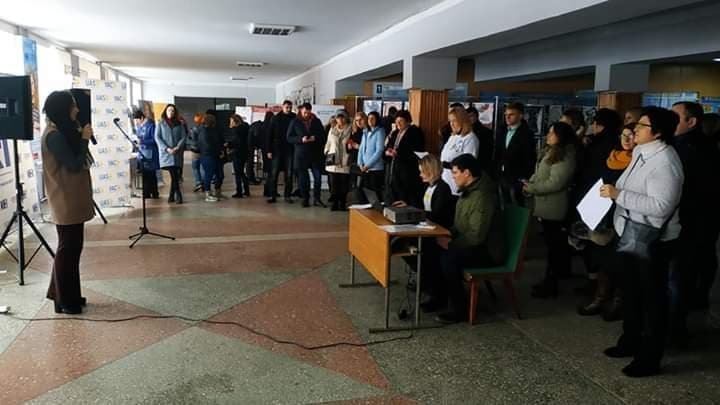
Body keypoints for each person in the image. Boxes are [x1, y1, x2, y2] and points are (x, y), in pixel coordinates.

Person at [600, 106, 683, 378]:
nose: (635, 129)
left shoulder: (666, 161)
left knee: (652, 298)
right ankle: (630, 340)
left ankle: (650, 357)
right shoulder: (641, 152)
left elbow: (661, 206)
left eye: (642, 126)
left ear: (658, 133)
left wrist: (619, 195)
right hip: (630, 234)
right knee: (632, 292)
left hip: (651, 241)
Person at [668, 101, 720, 346]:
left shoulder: (690, 149)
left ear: (691, 122)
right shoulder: (691, 145)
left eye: (675, 117)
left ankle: (675, 329)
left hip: (690, 222)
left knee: (678, 277)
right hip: (697, 222)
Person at [42, 90, 95, 314]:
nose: (77, 110)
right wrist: (84, 139)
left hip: (72, 197)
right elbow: (73, 165)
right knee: (67, 249)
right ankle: (64, 300)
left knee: (73, 248)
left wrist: (81, 136)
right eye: (73, 106)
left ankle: (66, 295)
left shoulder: (63, 131)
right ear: (63, 109)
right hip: (65, 199)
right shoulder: (53, 135)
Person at [577, 123, 637, 319]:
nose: (626, 139)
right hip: (602, 214)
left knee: (620, 261)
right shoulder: (612, 156)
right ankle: (600, 297)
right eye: (623, 135)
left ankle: (618, 302)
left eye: (631, 135)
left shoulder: (639, 161)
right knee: (602, 258)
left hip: (624, 216)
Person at [434, 154, 498, 324]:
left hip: (488, 251)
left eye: (455, 173)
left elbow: (477, 235)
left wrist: (451, 243)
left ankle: (459, 309)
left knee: (449, 258)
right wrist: (445, 235)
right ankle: (439, 296)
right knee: (432, 248)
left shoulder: (482, 196)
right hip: (472, 244)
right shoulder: (468, 191)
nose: (453, 177)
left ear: (467, 173)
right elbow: (459, 225)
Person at [393, 154, 455, 312]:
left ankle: (435, 293)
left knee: (420, 251)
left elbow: (437, 215)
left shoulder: (443, 189)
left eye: (422, 171)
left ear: (430, 171)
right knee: (402, 245)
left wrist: (417, 213)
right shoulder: (430, 187)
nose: (420, 175)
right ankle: (426, 282)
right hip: (428, 228)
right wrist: (409, 207)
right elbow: (425, 208)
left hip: (438, 233)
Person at [523, 122, 577, 299]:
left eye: (552, 133)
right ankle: (549, 280)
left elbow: (556, 182)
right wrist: (530, 183)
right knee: (551, 245)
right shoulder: (549, 151)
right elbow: (540, 173)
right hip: (544, 205)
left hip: (554, 207)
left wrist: (532, 188)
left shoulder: (565, 155)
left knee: (555, 247)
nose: (548, 135)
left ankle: (551, 283)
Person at [573, 108, 622, 291]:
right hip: (607, 199)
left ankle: (596, 283)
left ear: (598, 125)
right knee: (603, 244)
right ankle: (603, 286)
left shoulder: (595, 144)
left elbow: (584, 168)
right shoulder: (617, 145)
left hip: (592, 198)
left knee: (593, 243)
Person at [495, 102, 535, 206]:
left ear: (520, 116)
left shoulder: (527, 134)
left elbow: (529, 158)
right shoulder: (502, 131)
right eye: (506, 115)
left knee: (517, 206)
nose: (507, 117)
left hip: (517, 178)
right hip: (501, 176)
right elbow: (497, 154)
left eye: (511, 114)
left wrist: (523, 178)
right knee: (503, 205)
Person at [287, 103, 326, 207]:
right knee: (303, 178)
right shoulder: (295, 122)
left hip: (315, 154)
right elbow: (289, 137)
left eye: (308, 113)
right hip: (301, 154)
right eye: (305, 112)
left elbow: (323, 136)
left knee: (317, 177)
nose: (306, 115)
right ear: (301, 111)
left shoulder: (316, 121)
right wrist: (301, 139)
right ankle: (305, 198)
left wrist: (315, 138)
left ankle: (317, 198)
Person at [384, 110, 425, 208]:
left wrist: (399, 154)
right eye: (396, 121)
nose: (398, 124)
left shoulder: (415, 132)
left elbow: (418, 152)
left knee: (405, 200)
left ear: (408, 121)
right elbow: (388, 146)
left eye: (401, 121)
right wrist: (387, 152)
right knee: (394, 199)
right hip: (393, 170)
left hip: (408, 172)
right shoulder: (395, 133)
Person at [441, 107, 479, 196]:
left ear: (462, 121)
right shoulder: (453, 137)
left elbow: (468, 164)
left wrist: (448, 165)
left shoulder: (471, 139)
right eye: (450, 121)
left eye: (454, 121)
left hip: (457, 187)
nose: (451, 124)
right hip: (445, 182)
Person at [155, 104, 187, 204]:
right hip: (166, 153)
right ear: (165, 111)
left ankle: (171, 196)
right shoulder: (160, 123)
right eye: (169, 110)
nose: (171, 112)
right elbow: (157, 137)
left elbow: (183, 137)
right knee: (174, 174)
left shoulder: (179, 124)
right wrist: (167, 148)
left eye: (173, 111)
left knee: (175, 174)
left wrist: (177, 147)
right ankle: (178, 194)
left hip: (177, 153)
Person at [266, 100, 296, 203]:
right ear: (283, 107)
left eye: (290, 107)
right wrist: (269, 150)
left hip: (290, 149)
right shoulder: (275, 118)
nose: (288, 109)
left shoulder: (294, 118)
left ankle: (287, 196)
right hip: (277, 150)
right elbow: (269, 135)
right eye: (287, 107)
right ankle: (273, 195)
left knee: (289, 174)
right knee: (274, 173)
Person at [324, 110, 353, 211]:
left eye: (342, 117)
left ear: (346, 118)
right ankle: (335, 203)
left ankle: (342, 203)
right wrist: (326, 151)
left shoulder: (351, 128)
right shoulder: (332, 129)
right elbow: (328, 142)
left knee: (344, 183)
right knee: (333, 184)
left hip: (345, 159)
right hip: (333, 160)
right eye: (338, 117)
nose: (340, 119)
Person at [357, 111, 385, 202]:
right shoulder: (365, 131)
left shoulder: (380, 131)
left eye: (373, 119)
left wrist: (368, 165)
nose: (370, 120)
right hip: (364, 168)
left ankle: (377, 210)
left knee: (375, 194)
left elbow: (379, 151)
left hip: (375, 169)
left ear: (377, 120)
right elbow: (361, 149)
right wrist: (360, 163)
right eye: (369, 118)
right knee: (364, 193)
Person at [197, 113, 223, 202]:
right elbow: (208, 145)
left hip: (212, 155)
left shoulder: (209, 130)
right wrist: (218, 151)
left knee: (218, 174)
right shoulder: (205, 131)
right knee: (209, 174)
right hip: (208, 155)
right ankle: (207, 194)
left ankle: (216, 192)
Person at [133, 110, 159, 199]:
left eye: (137, 120)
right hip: (142, 153)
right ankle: (146, 193)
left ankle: (154, 193)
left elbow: (155, 140)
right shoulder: (139, 127)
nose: (136, 122)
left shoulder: (151, 126)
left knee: (151, 174)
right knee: (145, 174)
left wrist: (143, 141)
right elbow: (139, 137)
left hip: (151, 153)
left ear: (142, 118)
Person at [466, 106, 495, 170]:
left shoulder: (486, 132)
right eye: (467, 116)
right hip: (467, 165)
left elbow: (488, 153)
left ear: (477, 117)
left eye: (471, 116)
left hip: (481, 165)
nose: (468, 118)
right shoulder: (464, 131)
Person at [228, 114, 250, 198]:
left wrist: (229, 144)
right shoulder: (245, 128)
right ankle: (246, 190)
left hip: (237, 153)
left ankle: (239, 191)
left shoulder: (236, 130)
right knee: (241, 172)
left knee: (238, 173)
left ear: (235, 122)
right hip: (245, 153)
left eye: (231, 121)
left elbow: (236, 142)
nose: (230, 123)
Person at [187, 113, 204, 192]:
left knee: (195, 168)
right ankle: (203, 183)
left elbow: (191, 140)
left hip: (195, 151)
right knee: (203, 168)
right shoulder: (205, 128)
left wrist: (189, 141)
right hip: (204, 151)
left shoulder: (193, 129)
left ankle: (198, 183)